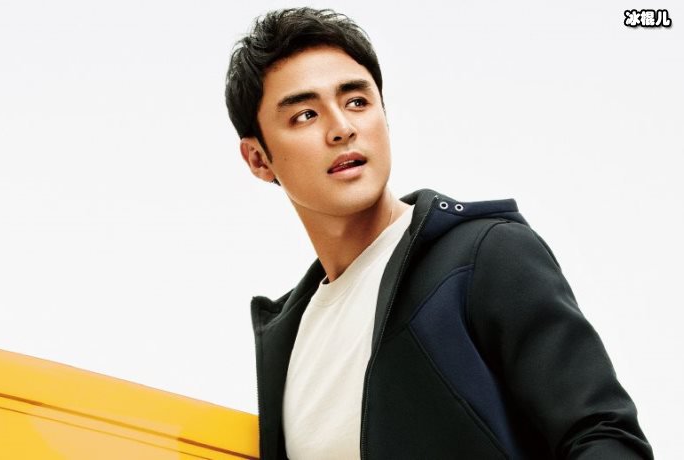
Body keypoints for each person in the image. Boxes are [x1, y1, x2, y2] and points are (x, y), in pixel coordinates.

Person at [225, 7, 652, 459]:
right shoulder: (289, 339)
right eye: (306, 114)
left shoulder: (484, 257)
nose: (343, 129)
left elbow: (603, 435)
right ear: (258, 159)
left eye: (357, 102)